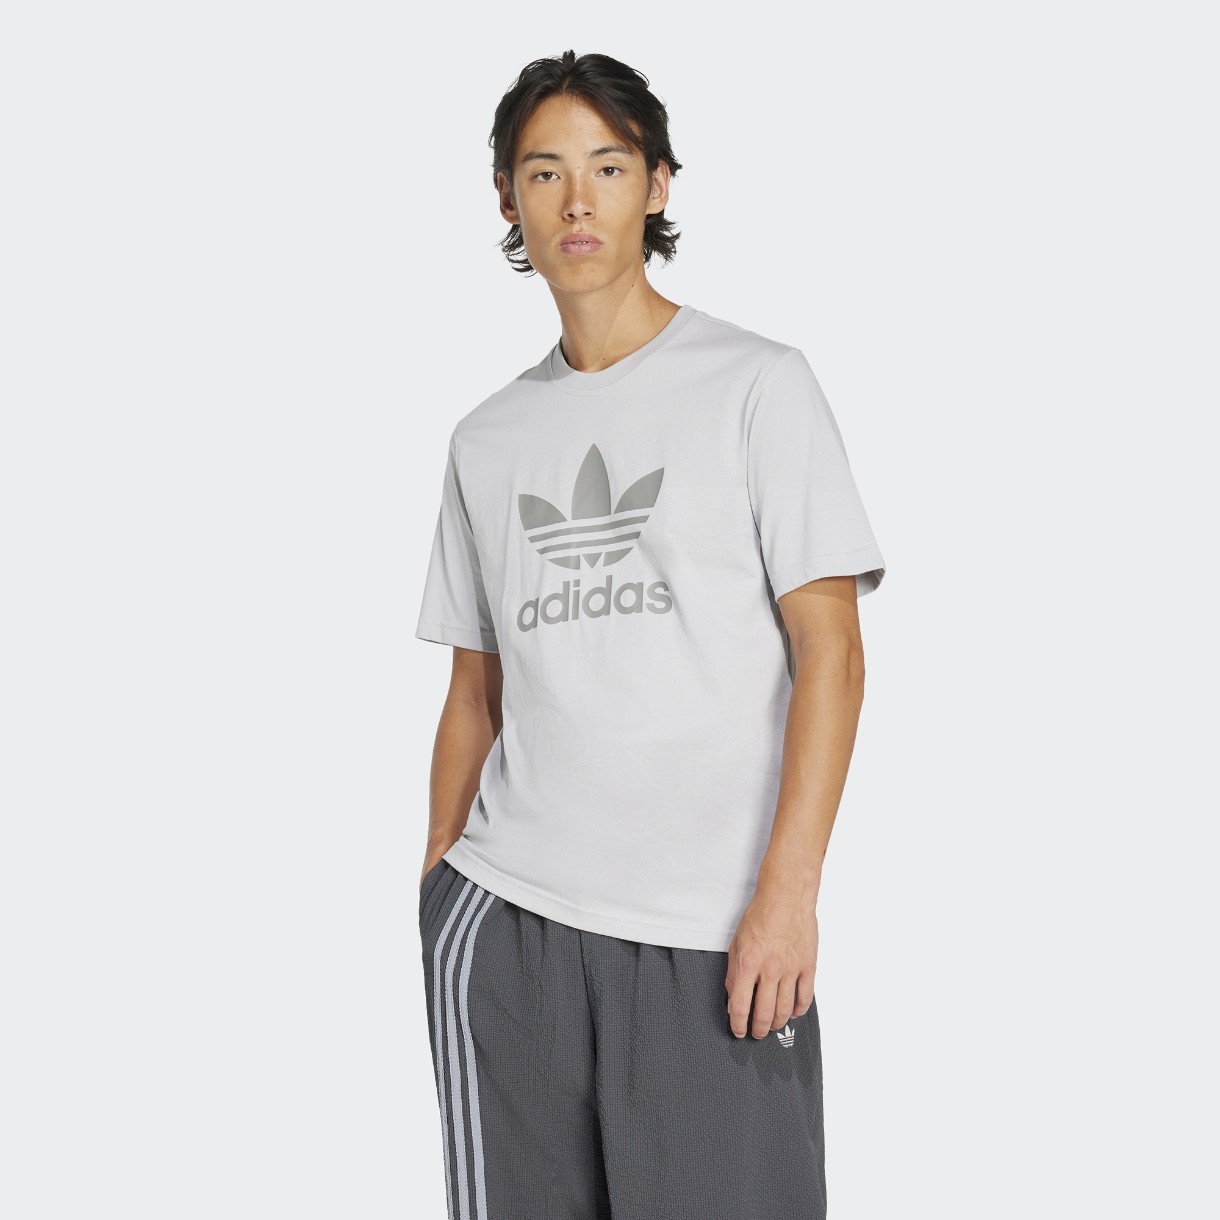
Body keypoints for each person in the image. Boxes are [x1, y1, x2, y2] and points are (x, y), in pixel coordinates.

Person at [413, 48, 886, 1220]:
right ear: (507, 198)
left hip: (711, 930)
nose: (576, 200)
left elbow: (830, 654)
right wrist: (438, 882)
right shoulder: (485, 438)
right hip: (510, 923)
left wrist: (788, 891)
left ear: (657, 184)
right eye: (544, 172)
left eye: (608, 167)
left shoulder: (756, 385)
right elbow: (475, 691)